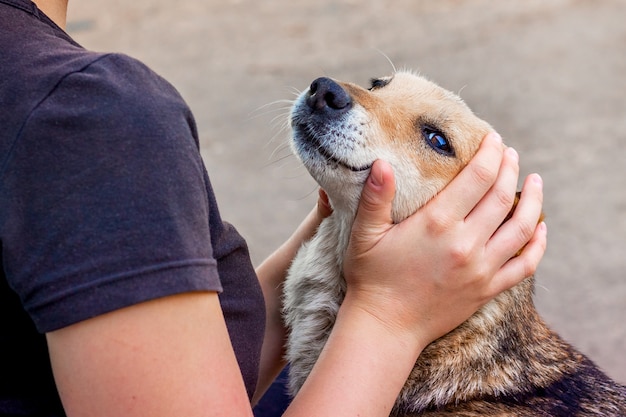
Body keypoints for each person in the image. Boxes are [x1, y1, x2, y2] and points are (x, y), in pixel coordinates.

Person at [0, 1, 547, 416]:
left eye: (431, 137)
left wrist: (327, 241)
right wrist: (389, 315)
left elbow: (174, 361)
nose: (349, 94)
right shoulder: (85, 116)